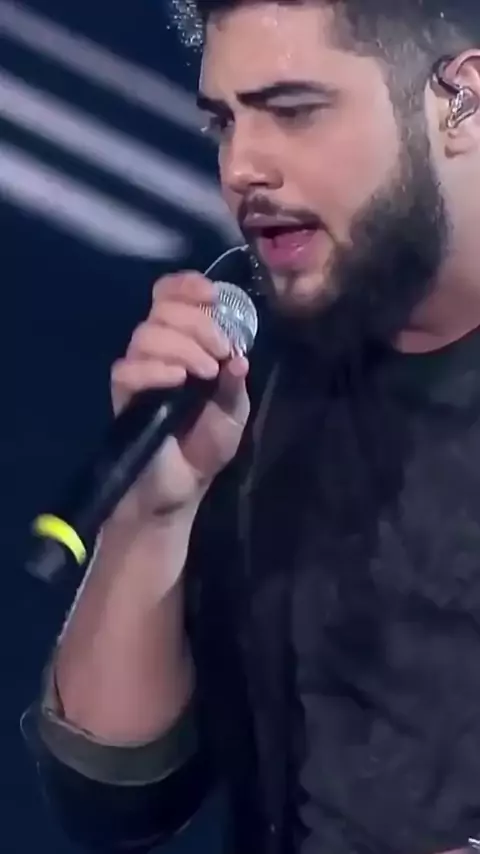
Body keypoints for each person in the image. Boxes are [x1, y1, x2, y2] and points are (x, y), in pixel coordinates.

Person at [23, 1, 480, 852]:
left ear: (464, 100)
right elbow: (111, 802)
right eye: (224, 122)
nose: (242, 168)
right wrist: (154, 515)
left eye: (293, 111)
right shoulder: (252, 349)